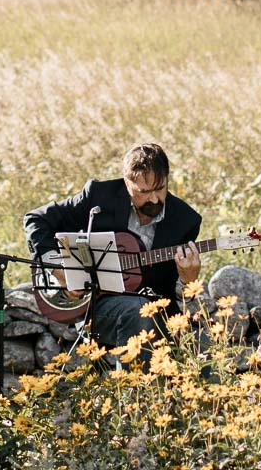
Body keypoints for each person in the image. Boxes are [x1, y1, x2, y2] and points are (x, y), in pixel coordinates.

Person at [23, 141, 203, 352]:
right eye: (144, 192)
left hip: (152, 311)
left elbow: (175, 296)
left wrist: (188, 279)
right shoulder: (99, 195)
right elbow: (35, 219)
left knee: (197, 339)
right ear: (127, 183)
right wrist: (59, 271)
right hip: (94, 305)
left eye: (160, 188)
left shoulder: (186, 220)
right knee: (138, 311)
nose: (154, 199)